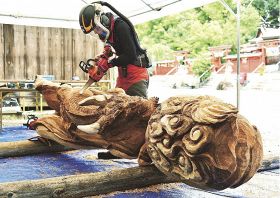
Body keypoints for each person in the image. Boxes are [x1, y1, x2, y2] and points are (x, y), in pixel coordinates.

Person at [79, 3, 150, 98]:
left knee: (138, 109)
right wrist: (103, 56)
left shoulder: (121, 26)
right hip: (123, 77)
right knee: (115, 106)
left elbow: (130, 55)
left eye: (96, 28)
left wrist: (109, 63)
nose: (96, 32)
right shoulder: (110, 30)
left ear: (102, 20)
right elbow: (112, 48)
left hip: (136, 77)